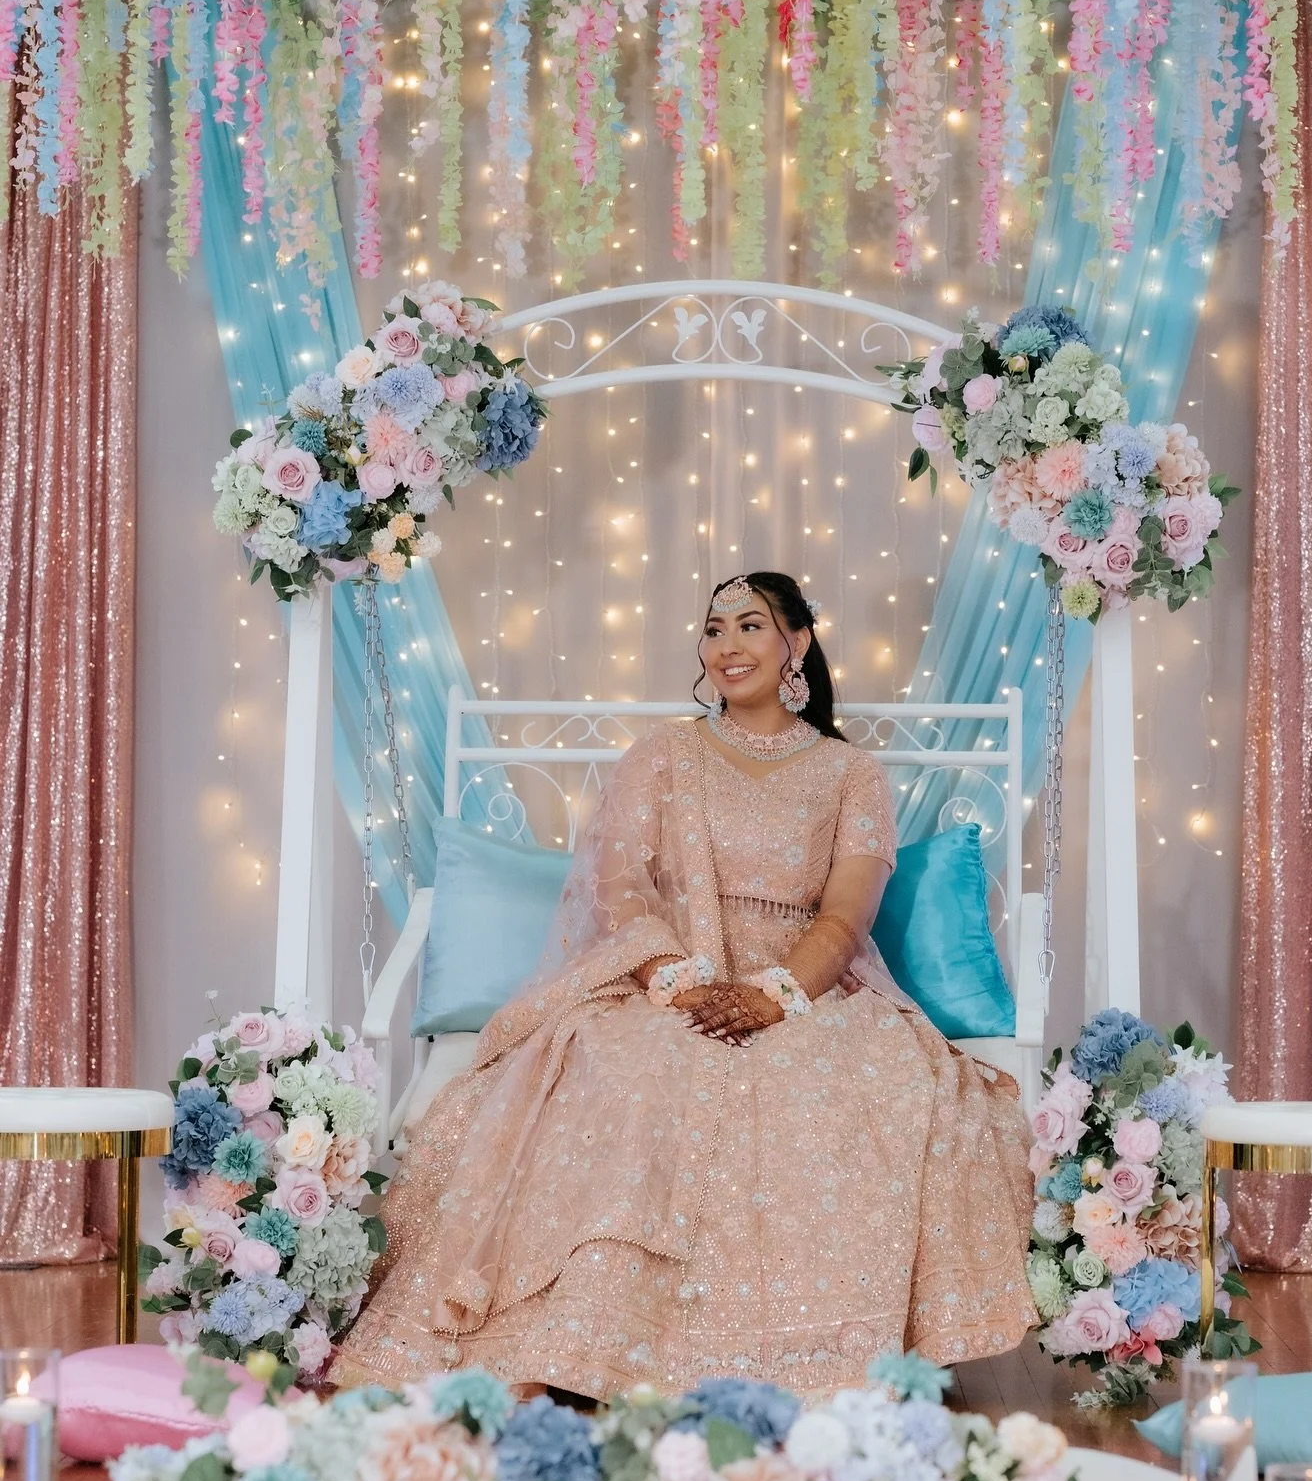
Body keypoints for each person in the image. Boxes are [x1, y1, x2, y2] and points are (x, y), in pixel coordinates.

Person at [333, 572, 1037, 1397]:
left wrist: (774, 995)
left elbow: (847, 914)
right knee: (636, 1070)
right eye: (713, 629)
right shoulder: (662, 756)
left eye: (749, 626)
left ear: (796, 644)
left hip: (808, 985)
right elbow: (621, 887)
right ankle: (592, 1345)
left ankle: (818, 1360)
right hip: (668, 978)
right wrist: (683, 978)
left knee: (874, 1084)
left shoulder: (852, 775)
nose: (727, 646)